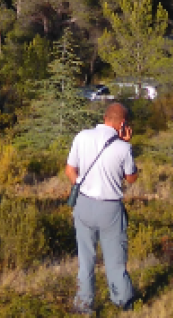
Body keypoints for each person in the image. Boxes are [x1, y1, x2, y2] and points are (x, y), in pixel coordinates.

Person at [66, 101, 138, 313]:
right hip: (110, 209)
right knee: (115, 260)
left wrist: (80, 185)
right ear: (122, 123)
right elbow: (131, 178)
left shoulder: (82, 136)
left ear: (105, 118)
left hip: (84, 204)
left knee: (86, 259)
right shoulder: (123, 147)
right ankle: (123, 301)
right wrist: (126, 142)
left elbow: (70, 170)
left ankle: (84, 304)